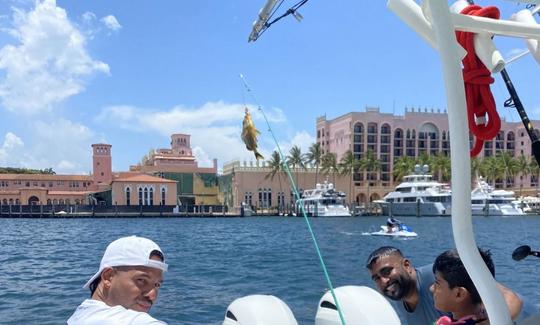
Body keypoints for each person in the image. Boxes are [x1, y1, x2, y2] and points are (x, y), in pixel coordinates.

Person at [366, 246, 524, 325]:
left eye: (386, 271)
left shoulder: (438, 277)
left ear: (407, 265)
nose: (383, 281)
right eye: (376, 278)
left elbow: (511, 300)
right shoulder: (388, 306)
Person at [68, 235, 168, 324]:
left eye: (157, 285)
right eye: (141, 280)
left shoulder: (82, 314)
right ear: (108, 276)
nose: (152, 295)